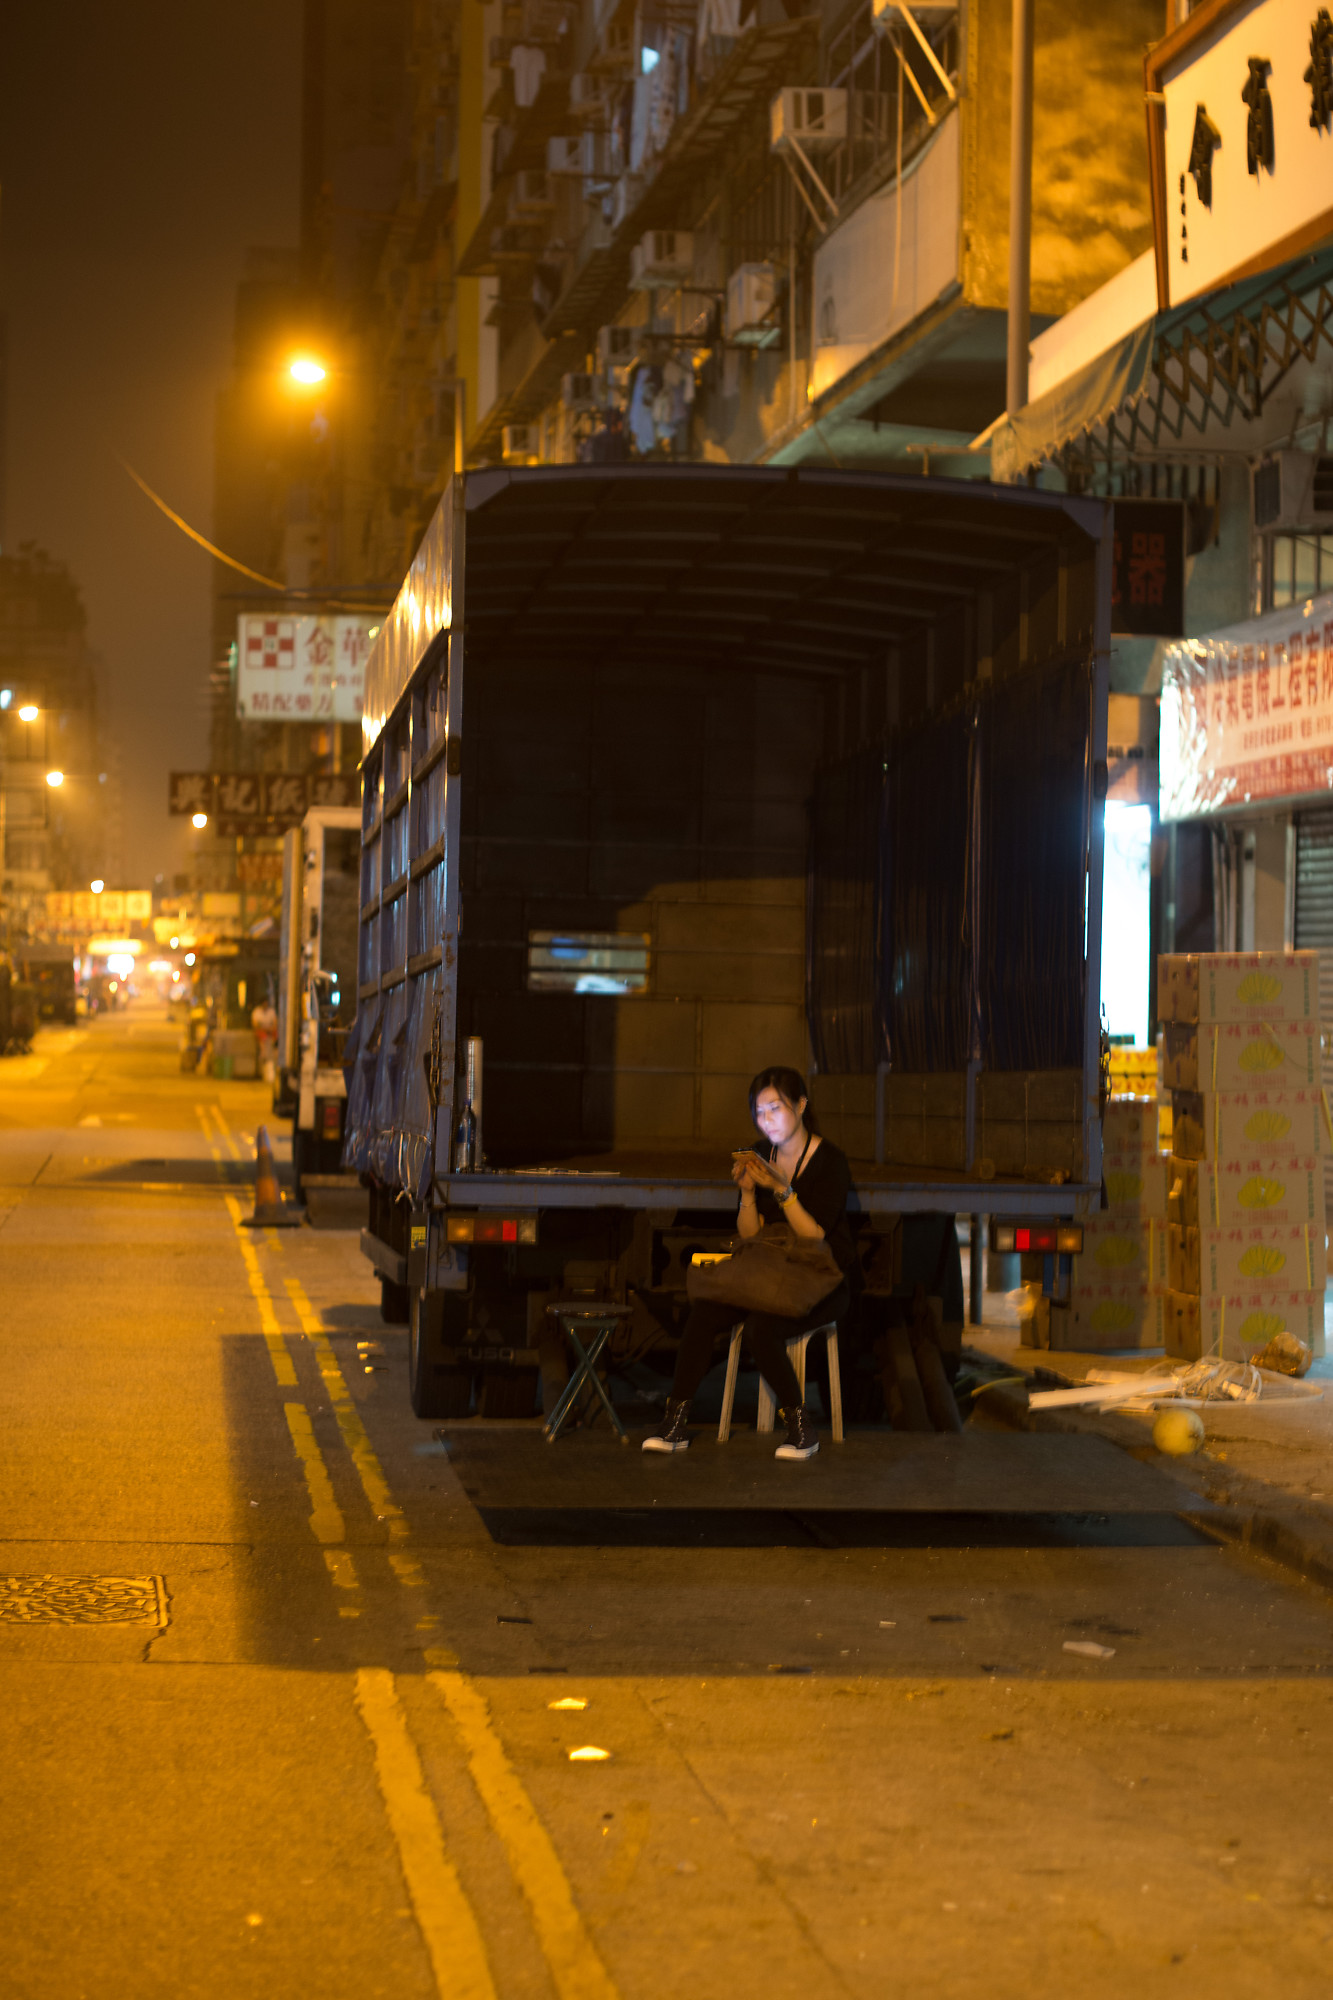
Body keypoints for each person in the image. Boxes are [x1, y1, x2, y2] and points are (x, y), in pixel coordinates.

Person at [643, 1066, 856, 1461]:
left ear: (801, 1106)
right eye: (760, 1112)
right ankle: (674, 1423)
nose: (767, 1120)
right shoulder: (760, 1154)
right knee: (703, 1314)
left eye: (776, 1108)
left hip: (819, 1280)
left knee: (761, 1329)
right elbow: (750, 1235)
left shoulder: (830, 1161)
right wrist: (746, 1193)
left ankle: (801, 1430)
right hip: (769, 1274)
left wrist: (782, 1189)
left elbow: (814, 1236)